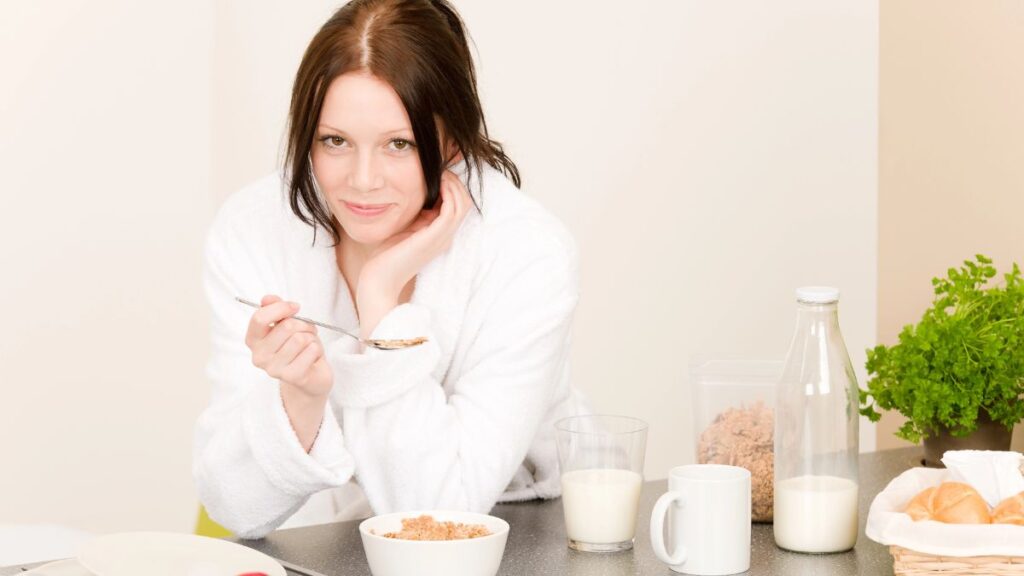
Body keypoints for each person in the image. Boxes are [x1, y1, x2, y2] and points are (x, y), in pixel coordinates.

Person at [193, 0, 588, 539]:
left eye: (398, 145)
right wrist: (300, 400)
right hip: (319, 547)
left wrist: (381, 303)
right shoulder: (253, 229)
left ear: (451, 141)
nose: (362, 180)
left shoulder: (526, 253)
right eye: (335, 141)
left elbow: (438, 517)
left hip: (517, 540)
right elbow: (231, 507)